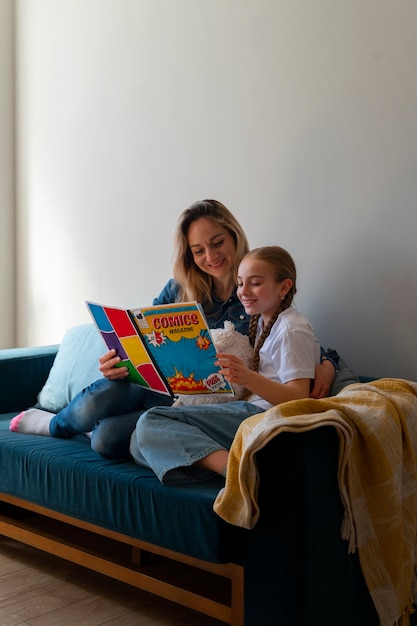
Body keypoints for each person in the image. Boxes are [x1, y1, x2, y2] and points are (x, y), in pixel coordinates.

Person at [10, 201, 336, 458]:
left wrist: (328, 365)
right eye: (198, 250)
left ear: (234, 236)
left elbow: (297, 344)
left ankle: (92, 431)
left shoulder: (255, 293)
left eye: (217, 242)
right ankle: (52, 425)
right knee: (103, 397)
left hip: (196, 402)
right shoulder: (179, 289)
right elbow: (141, 335)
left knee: (106, 440)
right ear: (189, 255)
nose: (211, 256)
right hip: (155, 385)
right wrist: (116, 360)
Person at [129, 246, 320, 483]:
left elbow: (299, 398)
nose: (244, 292)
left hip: (264, 416)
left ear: (284, 287)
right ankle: (235, 461)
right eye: (240, 283)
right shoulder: (263, 320)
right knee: (138, 443)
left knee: (151, 421)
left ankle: (237, 472)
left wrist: (248, 377)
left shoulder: (292, 328)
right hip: (249, 412)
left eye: (255, 283)